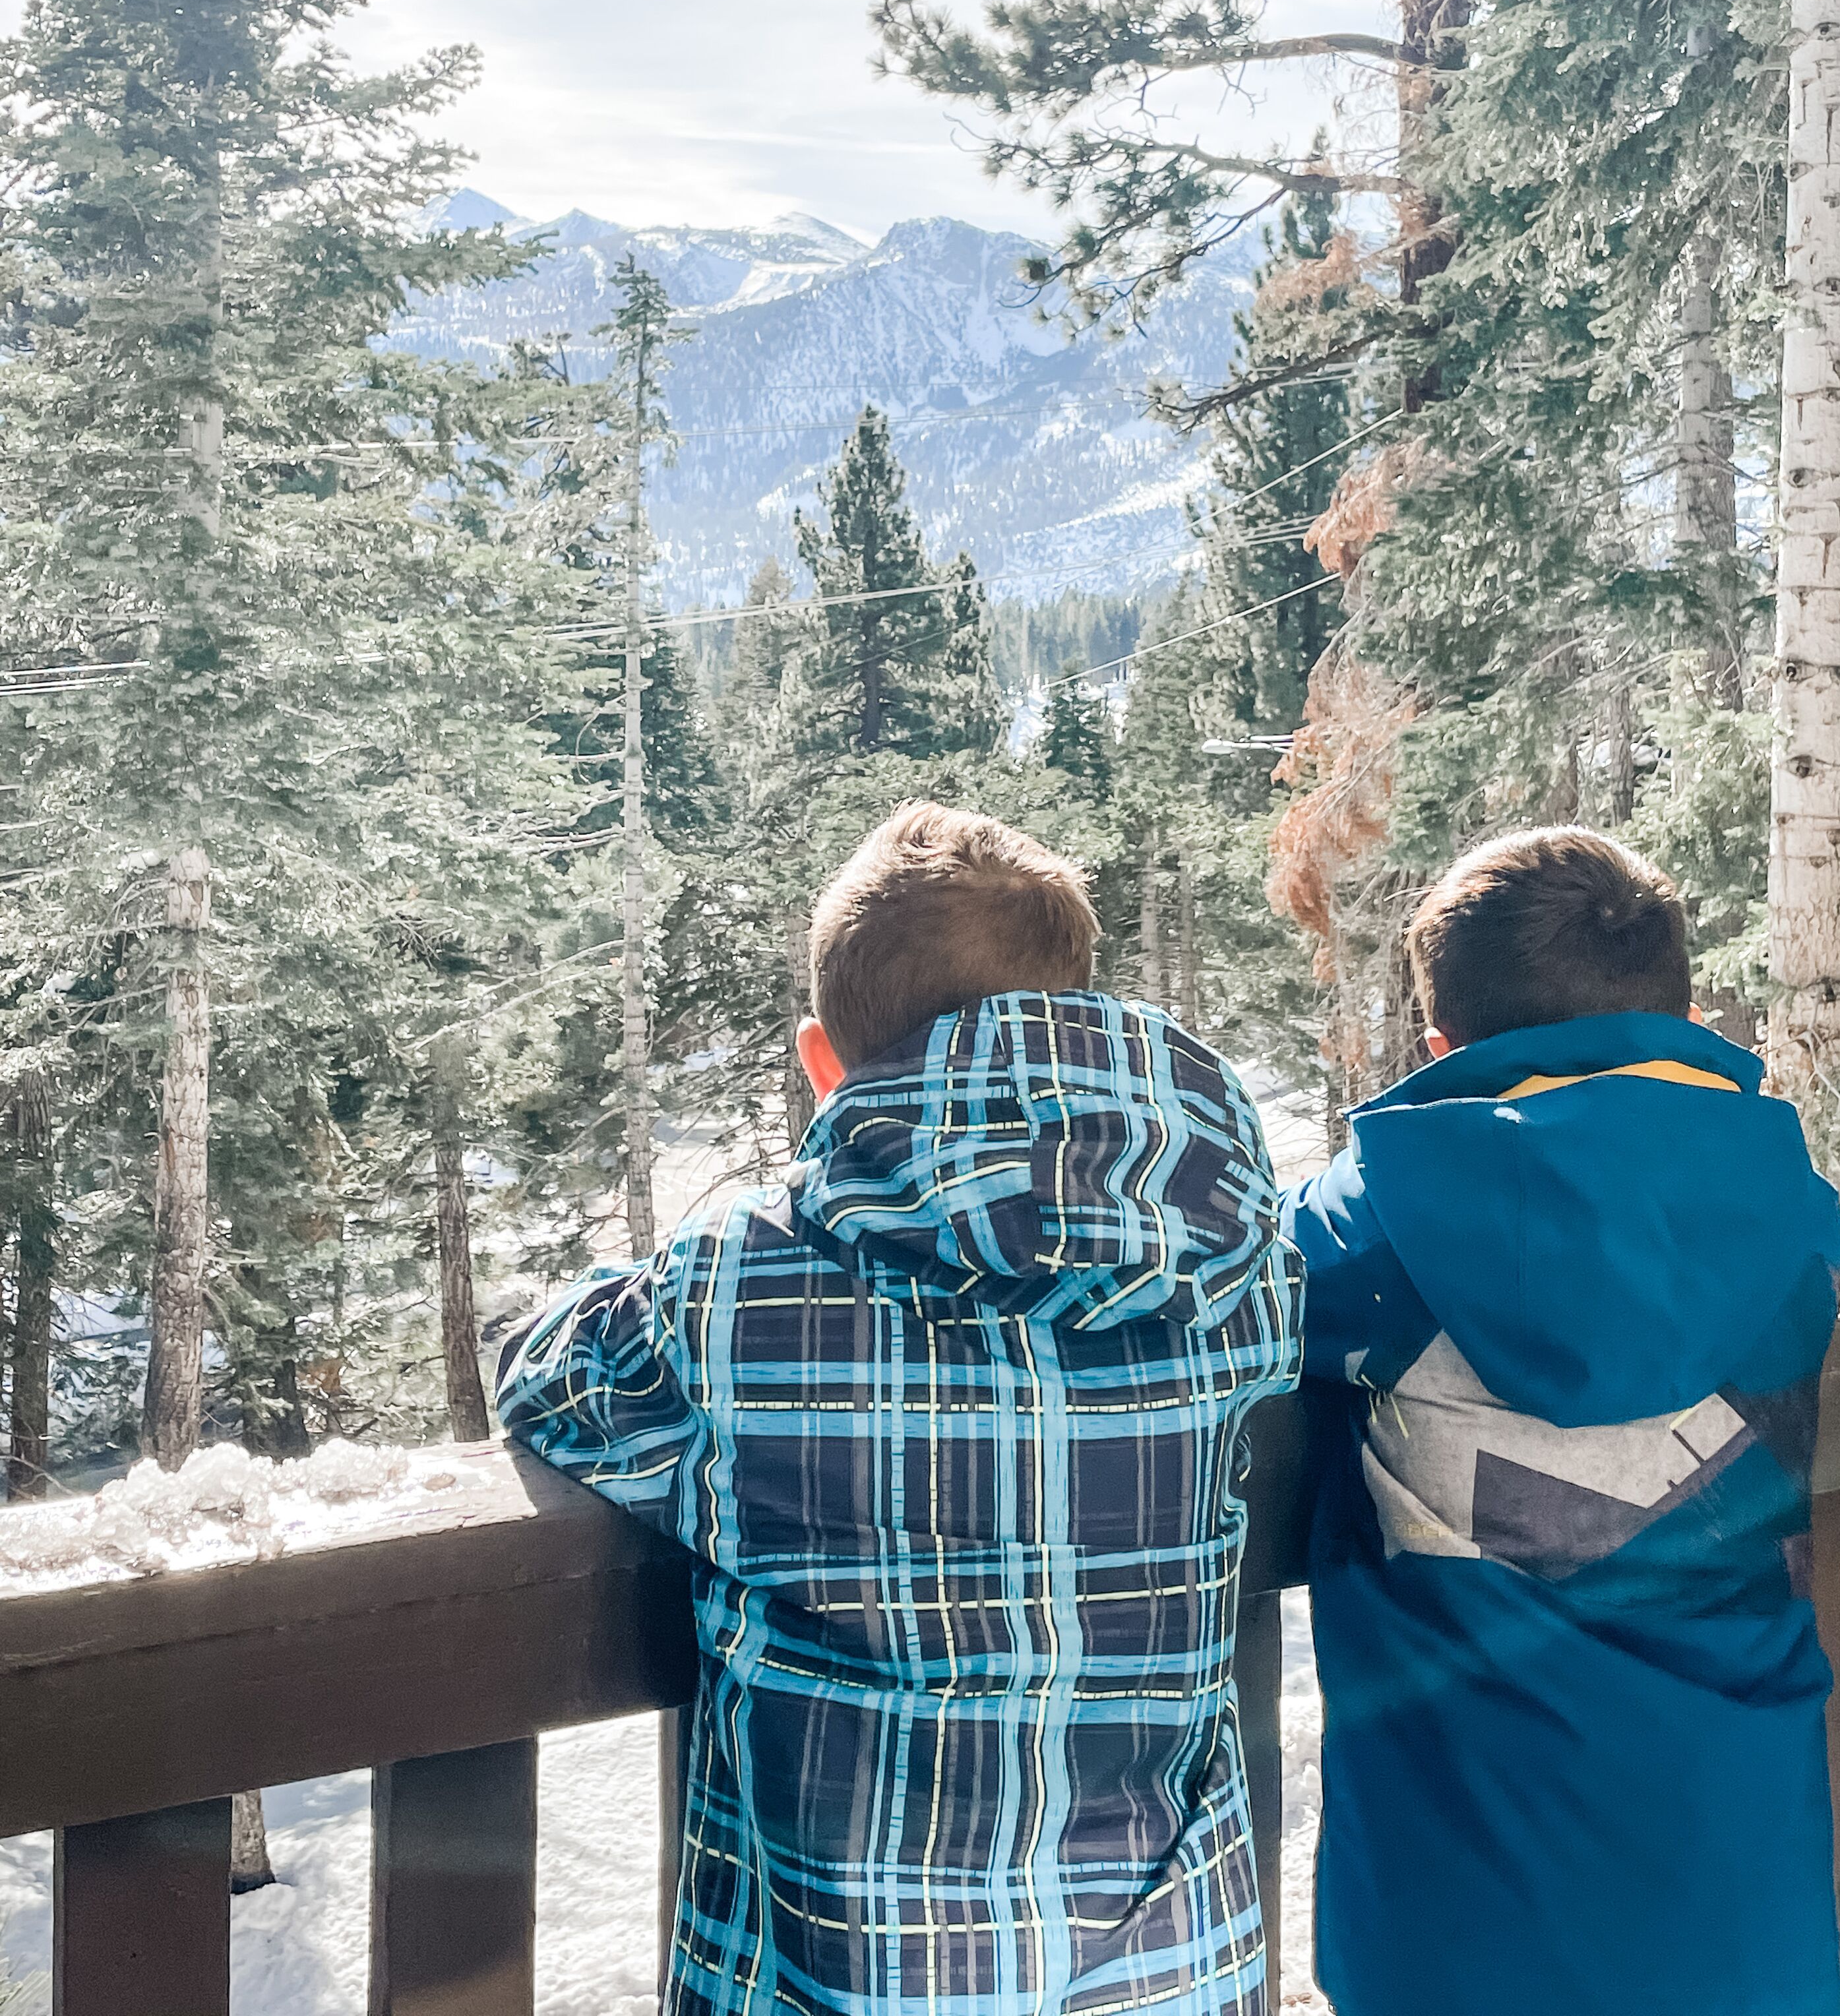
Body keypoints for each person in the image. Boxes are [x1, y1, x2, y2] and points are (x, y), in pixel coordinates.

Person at [499, 800, 1304, 2016]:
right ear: (1087, 1017)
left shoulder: (738, 1286)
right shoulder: (1242, 1266)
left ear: (825, 1064)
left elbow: (548, 1382)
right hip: (1172, 1976)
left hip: (854, 1984)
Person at [1281, 826, 1840, 2016]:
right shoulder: (1793, 1215)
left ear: (1443, 1045)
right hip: (1742, 1894)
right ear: (1675, 1014)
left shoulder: (1373, 1229)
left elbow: (1254, 1294)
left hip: (1457, 1916)